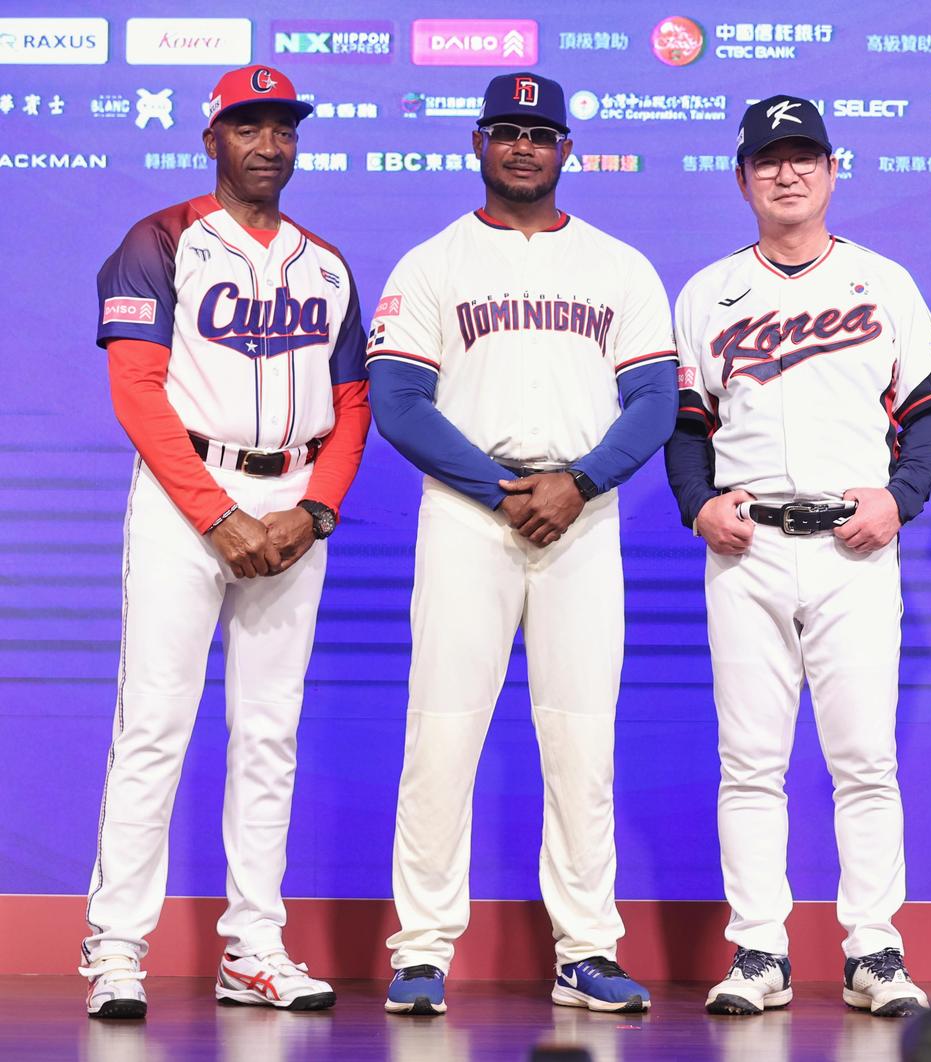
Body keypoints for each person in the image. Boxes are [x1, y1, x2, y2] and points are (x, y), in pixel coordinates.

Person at [367, 72, 677, 1017]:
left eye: (540, 133)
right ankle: (422, 950)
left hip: (582, 514)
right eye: (506, 131)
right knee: (442, 728)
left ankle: (585, 951)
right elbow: (397, 402)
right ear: (477, 142)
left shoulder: (619, 266)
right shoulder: (433, 263)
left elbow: (655, 401)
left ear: (565, 149)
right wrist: (497, 491)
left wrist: (578, 482)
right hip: (471, 514)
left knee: (581, 737)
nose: (523, 147)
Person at [665, 96, 931, 1018]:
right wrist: (697, 505)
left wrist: (899, 499)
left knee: (864, 758)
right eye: (768, 160)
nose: (787, 173)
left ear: (833, 171)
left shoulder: (882, 281)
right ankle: (759, 949)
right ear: (741, 179)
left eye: (804, 158)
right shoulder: (707, 291)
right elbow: (686, 424)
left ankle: (874, 948)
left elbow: (929, 407)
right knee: (749, 761)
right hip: (748, 548)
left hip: (851, 547)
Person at [81, 65, 370, 1018]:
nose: (268, 144)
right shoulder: (159, 240)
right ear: (212, 139)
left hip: (290, 499)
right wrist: (216, 514)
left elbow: (353, 402)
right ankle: (116, 948)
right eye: (248, 127)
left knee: (270, 733)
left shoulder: (326, 262)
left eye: (282, 128)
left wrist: (315, 511)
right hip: (186, 497)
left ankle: (254, 948)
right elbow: (137, 391)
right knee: (154, 725)